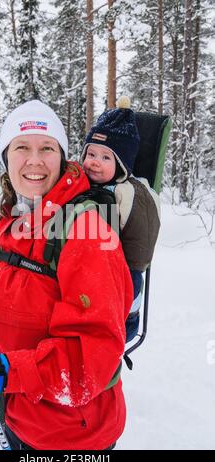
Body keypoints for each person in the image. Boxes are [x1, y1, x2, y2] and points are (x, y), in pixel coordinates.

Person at [0, 100, 133, 450]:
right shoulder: (5, 227)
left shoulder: (87, 233)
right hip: (18, 413)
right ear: (6, 158)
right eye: (21, 147)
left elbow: (93, 356)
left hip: (72, 434)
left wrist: (2, 370)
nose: (34, 160)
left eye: (47, 148)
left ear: (61, 158)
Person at [81, 97, 160, 342]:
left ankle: (124, 323)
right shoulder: (81, 183)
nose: (94, 162)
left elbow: (141, 240)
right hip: (86, 268)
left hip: (122, 271)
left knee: (129, 288)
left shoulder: (129, 192)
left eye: (106, 158)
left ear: (122, 164)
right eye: (91, 153)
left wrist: (127, 271)